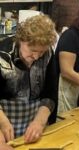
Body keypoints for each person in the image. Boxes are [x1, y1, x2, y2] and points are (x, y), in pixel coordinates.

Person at [0, 15, 58, 144]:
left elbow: (50, 93)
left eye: (41, 52)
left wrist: (39, 122)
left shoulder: (48, 54)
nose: (37, 57)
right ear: (21, 40)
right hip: (3, 118)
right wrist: (2, 122)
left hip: (35, 116)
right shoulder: (2, 53)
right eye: (33, 50)